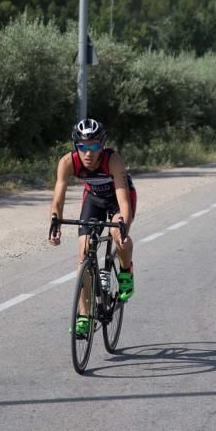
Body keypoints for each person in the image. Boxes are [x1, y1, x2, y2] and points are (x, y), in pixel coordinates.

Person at [49, 118, 136, 335]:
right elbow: (58, 200)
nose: (88, 153)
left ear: (102, 145)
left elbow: (124, 202)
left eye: (94, 146)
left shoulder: (113, 161)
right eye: (83, 147)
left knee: (118, 234)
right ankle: (84, 316)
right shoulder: (67, 162)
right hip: (93, 200)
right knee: (83, 254)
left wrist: (123, 226)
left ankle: (126, 271)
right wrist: (55, 223)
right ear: (76, 146)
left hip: (118, 198)